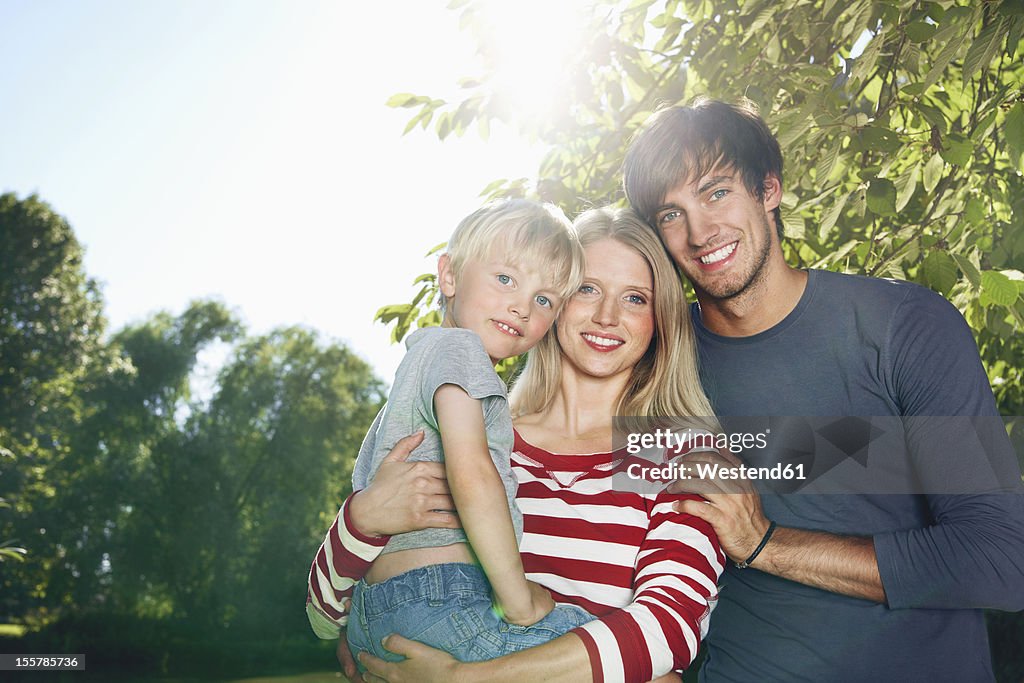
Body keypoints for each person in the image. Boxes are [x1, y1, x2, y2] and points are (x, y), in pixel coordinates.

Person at [621, 97, 1024, 681]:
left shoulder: (905, 326)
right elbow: (576, 497)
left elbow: (1000, 559)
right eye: (670, 213)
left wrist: (764, 544)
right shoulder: (654, 359)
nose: (700, 232)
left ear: (769, 190)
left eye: (716, 192)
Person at [307, 207, 726, 683]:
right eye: (587, 289)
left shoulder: (689, 454)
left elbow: (667, 632)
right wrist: (361, 519)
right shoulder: (481, 434)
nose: (607, 316)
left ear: (661, 319)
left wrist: (465, 679)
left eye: (635, 298)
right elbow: (333, 612)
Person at [309, 198, 590, 667]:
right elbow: (472, 472)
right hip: (437, 594)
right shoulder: (462, 352)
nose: (522, 306)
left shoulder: (420, 366)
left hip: (377, 609)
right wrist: (517, 597)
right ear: (450, 275)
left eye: (544, 300)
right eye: (506, 279)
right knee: (592, 645)